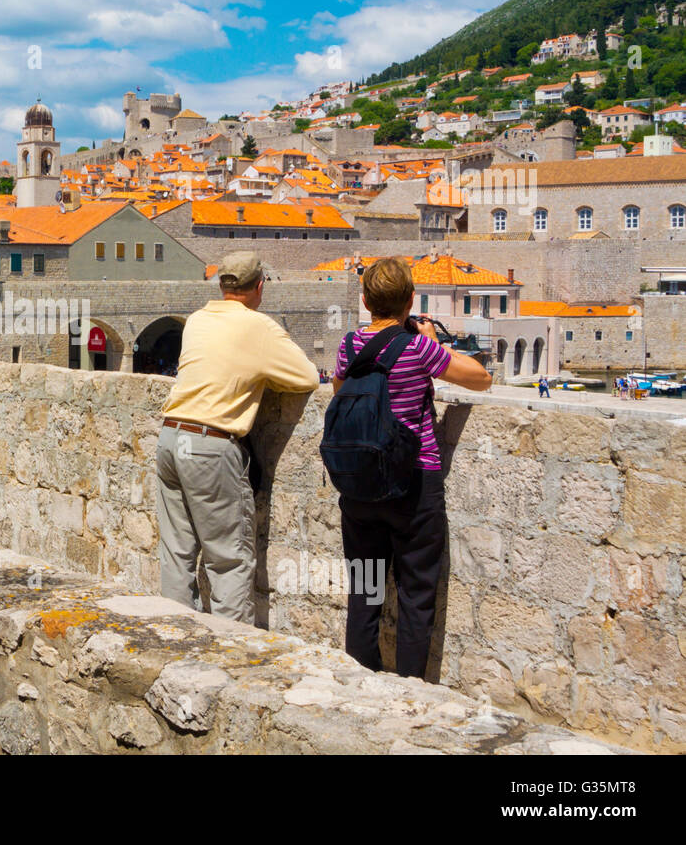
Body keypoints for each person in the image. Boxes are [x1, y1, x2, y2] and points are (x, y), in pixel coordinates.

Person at [331, 257, 491, 679]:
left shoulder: (348, 347)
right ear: (411, 301)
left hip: (362, 487)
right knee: (416, 597)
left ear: (364, 300)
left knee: (364, 593)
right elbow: (480, 378)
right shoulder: (418, 347)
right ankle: (409, 693)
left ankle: (358, 684)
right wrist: (435, 342)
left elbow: (339, 392)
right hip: (414, 485)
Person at [155, 252, 319, 624]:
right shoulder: (257, 326)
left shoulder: (196, 320)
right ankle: (231, 657)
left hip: (171, 436)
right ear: (260, 286)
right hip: (209, 445)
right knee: (229, 560)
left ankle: (176, 643)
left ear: (222, 285)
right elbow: (308, 377)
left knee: (177, 553)